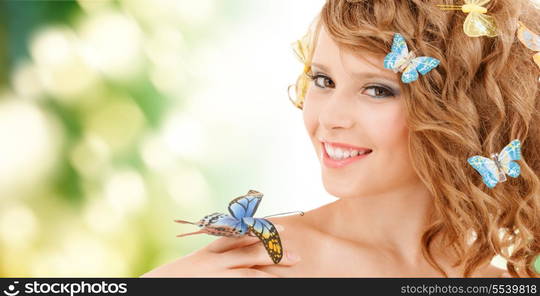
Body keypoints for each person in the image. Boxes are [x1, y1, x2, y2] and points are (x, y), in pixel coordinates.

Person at [141, 0, 540, 277]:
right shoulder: (257, 265)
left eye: (378, 90)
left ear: (464, 111)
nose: (330, 118)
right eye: (323, 80)